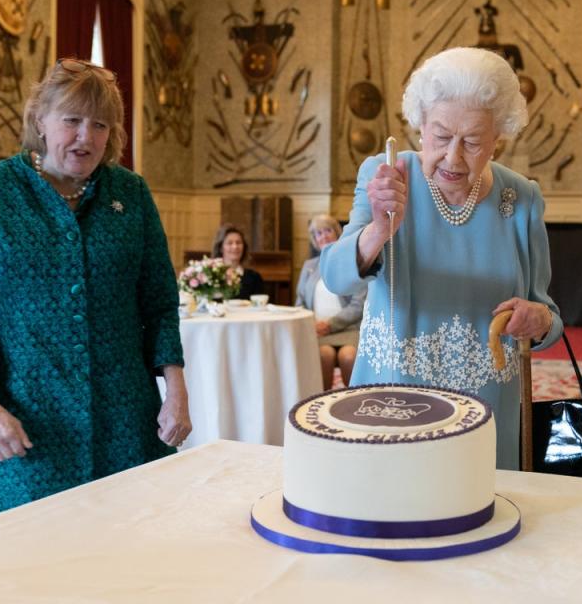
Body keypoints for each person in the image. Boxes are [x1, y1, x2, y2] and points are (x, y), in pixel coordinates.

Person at [0, 58, 192, 527]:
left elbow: (158, 302)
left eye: (99, 124)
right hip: (24, 417)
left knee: (124, 542)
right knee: (26, 551)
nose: (85, 137)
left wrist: (175, 391)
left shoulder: (130, 194)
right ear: (40, 120)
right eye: (71, 120)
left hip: (123, 415)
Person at [320, 47, 563, 469]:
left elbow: (550, 316)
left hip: (487, 410)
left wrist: (538, 319)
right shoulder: (386, 174)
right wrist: (378, 228)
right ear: (419, 127)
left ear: (497, 139)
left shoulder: (521, 197)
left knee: (480, 521)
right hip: (394, 403)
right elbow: (336, 278)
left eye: (471, 142)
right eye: (440, 136)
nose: (452, 157)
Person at [296, 214, 366, 389]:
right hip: (317, 332)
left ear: (337, 232)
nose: (324, 236)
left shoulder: (352, 263)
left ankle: (356, 405)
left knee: (348, 356)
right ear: (314, 239)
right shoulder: (309, 266)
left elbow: (358, 306)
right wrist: (312, 325)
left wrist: (329, 325)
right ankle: (322, 407)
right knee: (323, 356)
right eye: (318, 233)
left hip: (348, 329)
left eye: (327, 230)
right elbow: (300, 303)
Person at [211, 224, 264, 299]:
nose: (235, 247)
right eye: (230, 243)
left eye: (238, 242)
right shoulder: (211, 275)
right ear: (221, 248)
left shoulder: (254, 277)